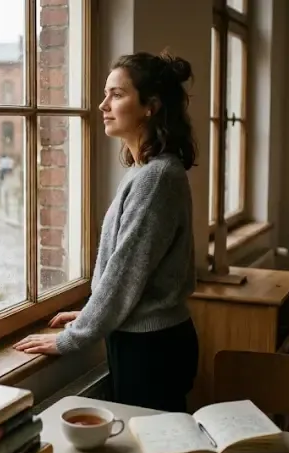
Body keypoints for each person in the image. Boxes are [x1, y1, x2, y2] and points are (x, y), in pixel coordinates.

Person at [13, 50, 199, 413]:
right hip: (143, 341)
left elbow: (125, 273)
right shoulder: (144, 171)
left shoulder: (157, 177)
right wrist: (87, 315)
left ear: (151, 106)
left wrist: (72, 338)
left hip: (153, 349)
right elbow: (126, 270)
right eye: (105, 93)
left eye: (116, 94)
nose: (102, 105)